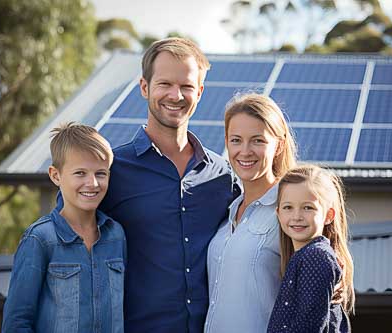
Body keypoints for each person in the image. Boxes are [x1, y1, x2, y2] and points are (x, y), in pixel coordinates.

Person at [99, 38, 239, 332]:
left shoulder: (224, 175)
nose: (176, 95)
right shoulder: (111, 169)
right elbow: (64, 238)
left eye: (187, 86)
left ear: (199, 92)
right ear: (144, 87)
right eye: (165, 84)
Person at [2, 123, 126, 333]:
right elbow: (16, 324)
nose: (92, 183)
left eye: (101, 173)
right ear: (55, 175)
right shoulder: (40, 240)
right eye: (80, 173)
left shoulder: (116, 236)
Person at [205, 93, 298, 332]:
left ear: (278, 144)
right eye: (236, 140)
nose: (245, 151)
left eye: (257, 140)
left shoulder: (290, 211)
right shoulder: (227, 211)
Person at [267, 165, 355, 332]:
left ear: (328, 216)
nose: (297, 216)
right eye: (288, 207)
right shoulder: (304, 256)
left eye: (308, 207)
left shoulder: (316, 256)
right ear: (278, 213)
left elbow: (308, 326)